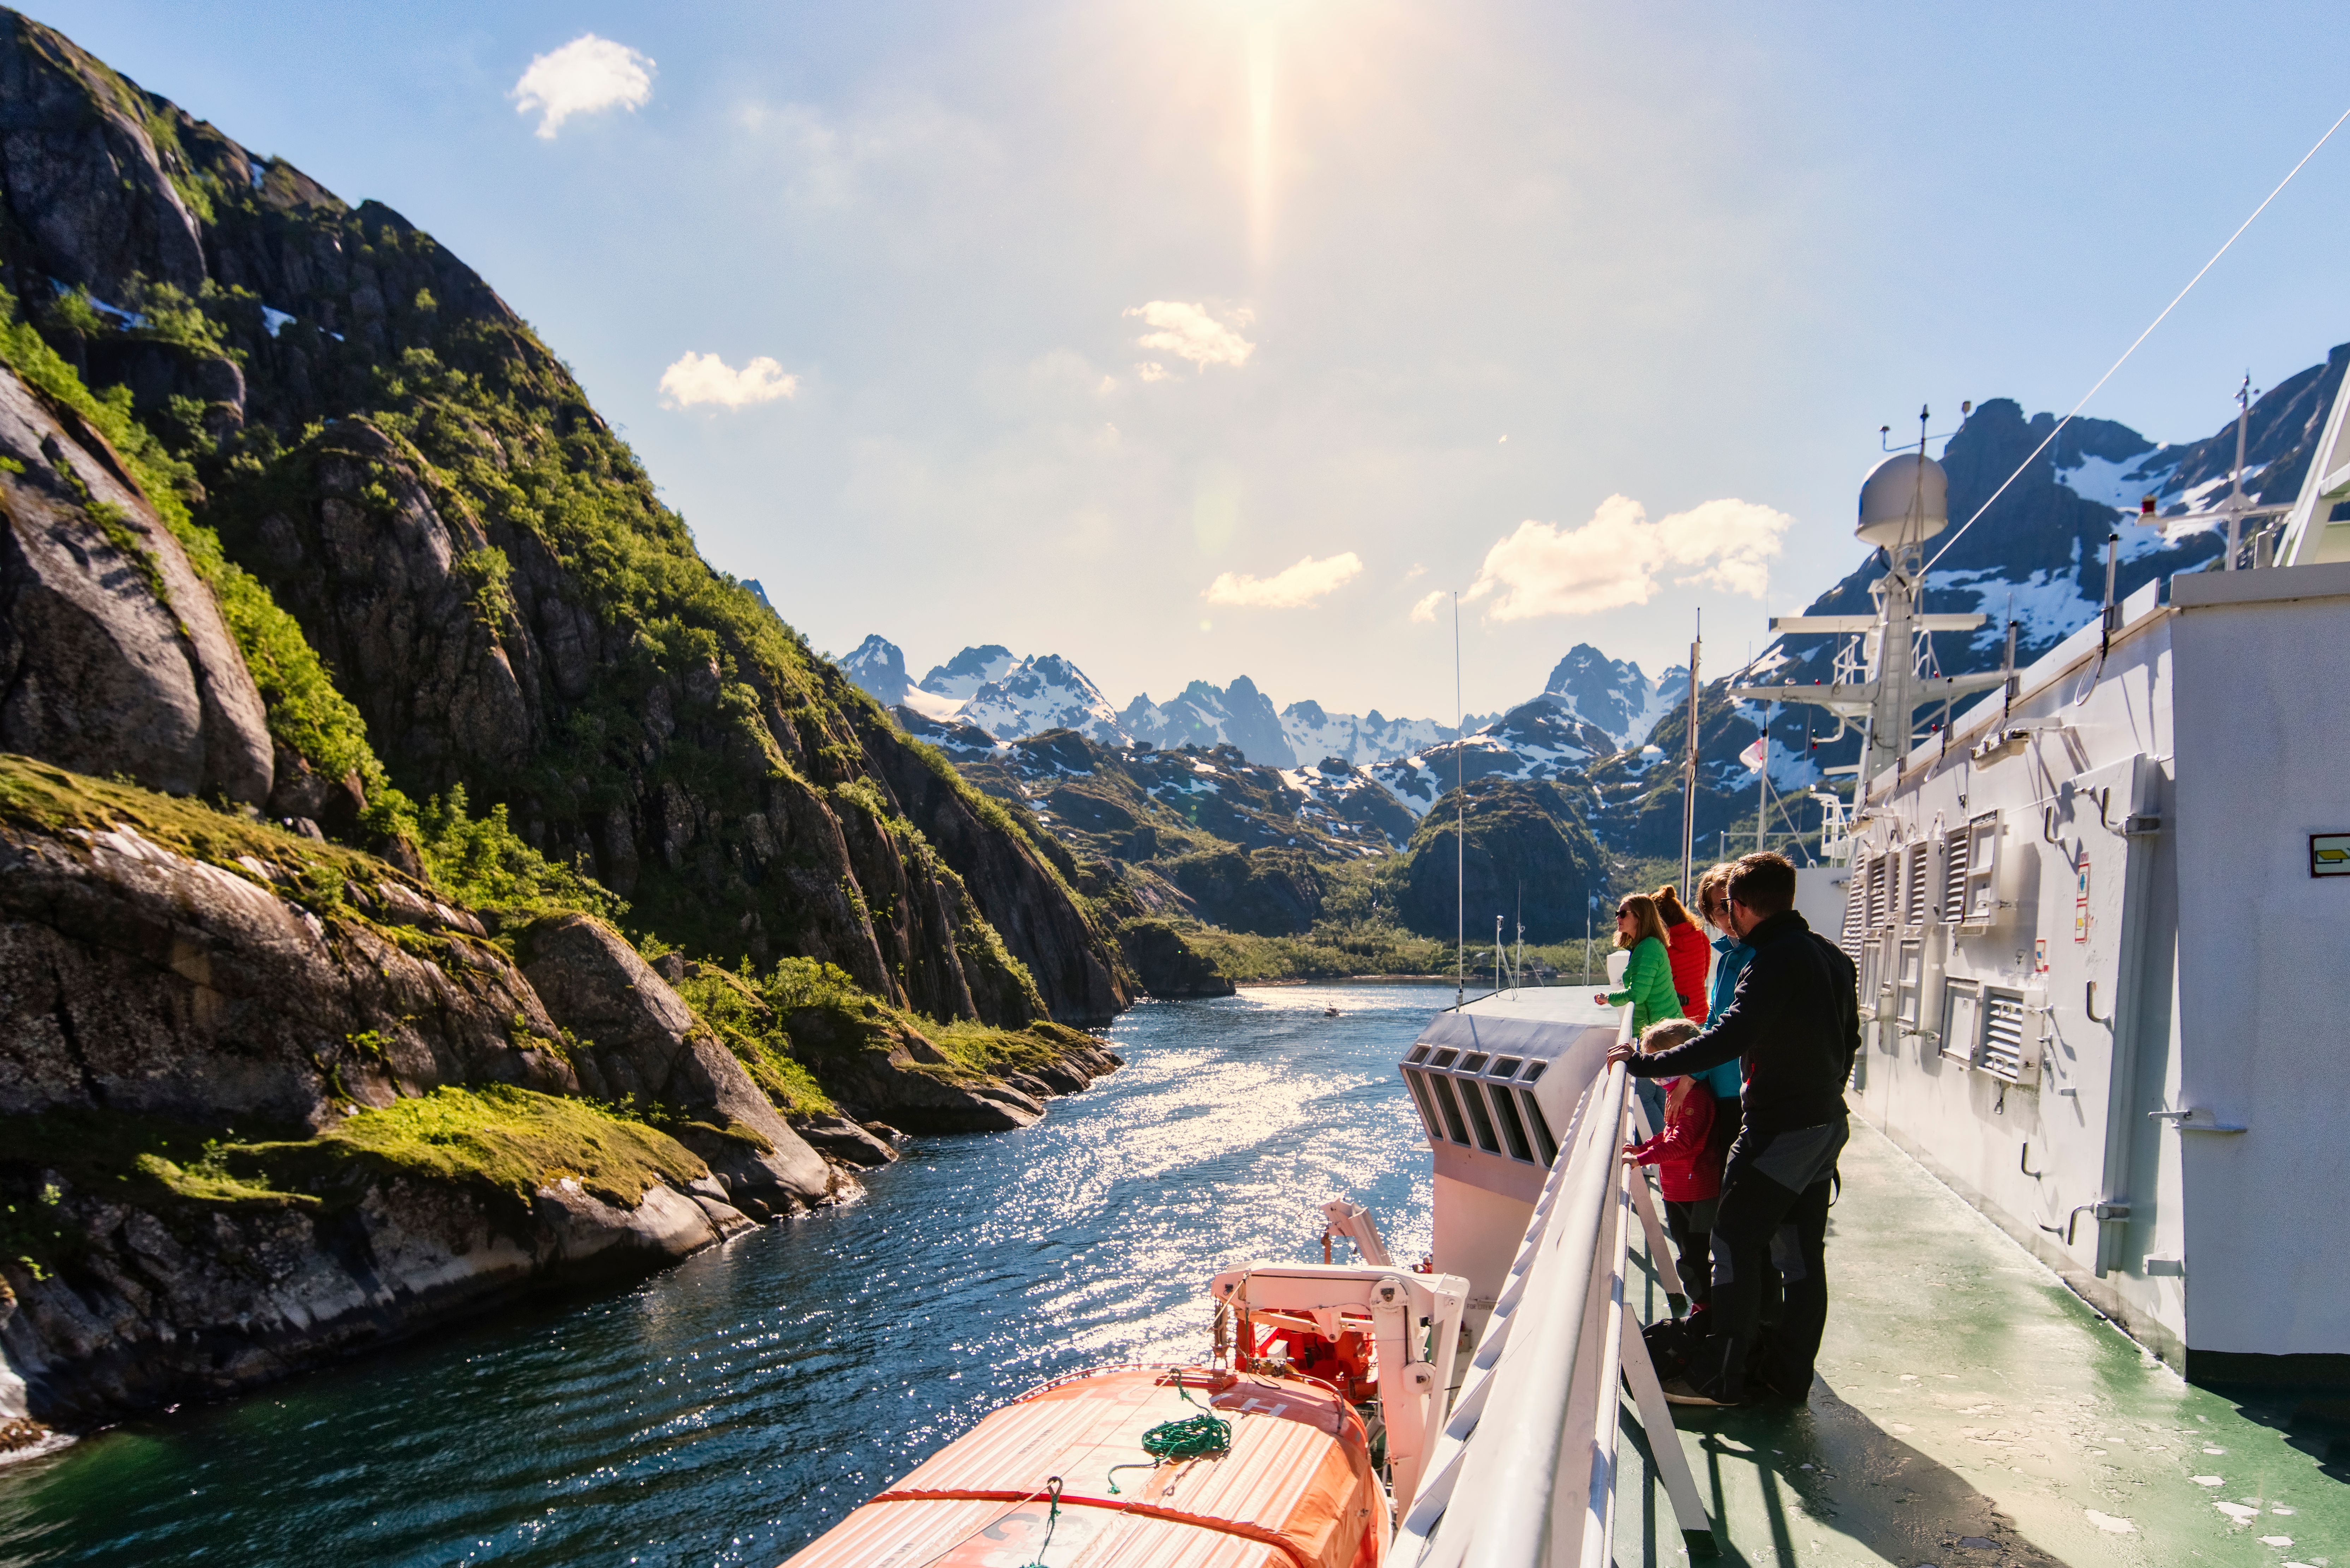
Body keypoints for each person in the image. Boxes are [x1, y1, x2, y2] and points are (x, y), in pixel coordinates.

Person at [1607, 851, 1859, 1408]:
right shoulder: (1830, 955)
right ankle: (1786, 1376)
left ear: (1740, 907)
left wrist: (1642, 1062)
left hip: (1779, 1128)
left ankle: (1721, 1376)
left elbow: (1730, 1034)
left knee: (1732, 1239)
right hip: (1823, 1124)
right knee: (1799, 1258)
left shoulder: (1769, 960)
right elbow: (1850, 1041)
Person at [1621, 1017, 1721, 1315]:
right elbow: (1668, 1133)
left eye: (1657, 1062)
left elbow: (1683, 1142)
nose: (1653, 1073)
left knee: (1694, 1254)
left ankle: (1704, 1307)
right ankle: (1703, 1304)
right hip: (1679, 1188)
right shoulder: (1676, 1093)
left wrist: (1641, 1159)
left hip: (1693, 1190)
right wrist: (1642, 1147)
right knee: (1687, 1250)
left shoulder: (1693, 1098)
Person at [1593, 895, 1680, 1135]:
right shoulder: (1643, 946)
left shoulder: (1648, 947)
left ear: (1639, 917)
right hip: (1659, 1032)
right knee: (1658, 1094)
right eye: (1617, 914)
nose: (1617, 919)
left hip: (1660, 1035)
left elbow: (1638, 994)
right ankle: (1668, 1150)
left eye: (1623, 914)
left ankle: (1663, 1150)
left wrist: (1607, 998)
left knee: (1644, 1095)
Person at [1693, 864, 1750, 1154]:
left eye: (1730, 905)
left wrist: (1690, 1076)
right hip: (1721, 1083)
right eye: (1718, 909)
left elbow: (1724, 1026)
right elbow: (1713, 1019)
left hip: (1739, 1089)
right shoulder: (1729, 956)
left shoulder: (1755, 955)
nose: (1727, 916)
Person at [1654, 884, 1711, 1023]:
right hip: (1701, 1015)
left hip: (1673, 1018)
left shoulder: (1660, 945)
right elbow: (1704, 974)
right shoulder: (1700, 936)